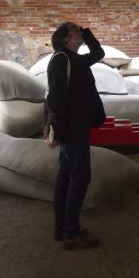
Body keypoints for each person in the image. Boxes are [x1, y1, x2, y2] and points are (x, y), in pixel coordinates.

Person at [45, 22, 106, 250]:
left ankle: (61, 229)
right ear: (65, 38)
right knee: (80, 177)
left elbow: (98, 53)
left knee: (66, 176)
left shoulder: (75, 58)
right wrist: (58, 131)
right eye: (75, 31)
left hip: (77, 126)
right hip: (72, 129)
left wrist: (86, 32)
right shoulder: (61, 59)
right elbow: (56, 98)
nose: (79, 33)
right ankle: (71, 232)